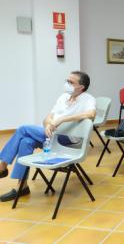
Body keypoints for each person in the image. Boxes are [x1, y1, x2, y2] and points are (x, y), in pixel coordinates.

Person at [0, 71, 96, 202]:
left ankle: (2, 166)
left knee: (23, 129)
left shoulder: (88, 99)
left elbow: (91, 114)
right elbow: (48, 117)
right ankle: (22, 186)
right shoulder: (63, 97)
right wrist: (47, 125)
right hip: (52, 136)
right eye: (67, 81)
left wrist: (63, 119)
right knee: (25, 142)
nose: (67, 84)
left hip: (67, 141)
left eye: (71, 82)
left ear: (81, 87)